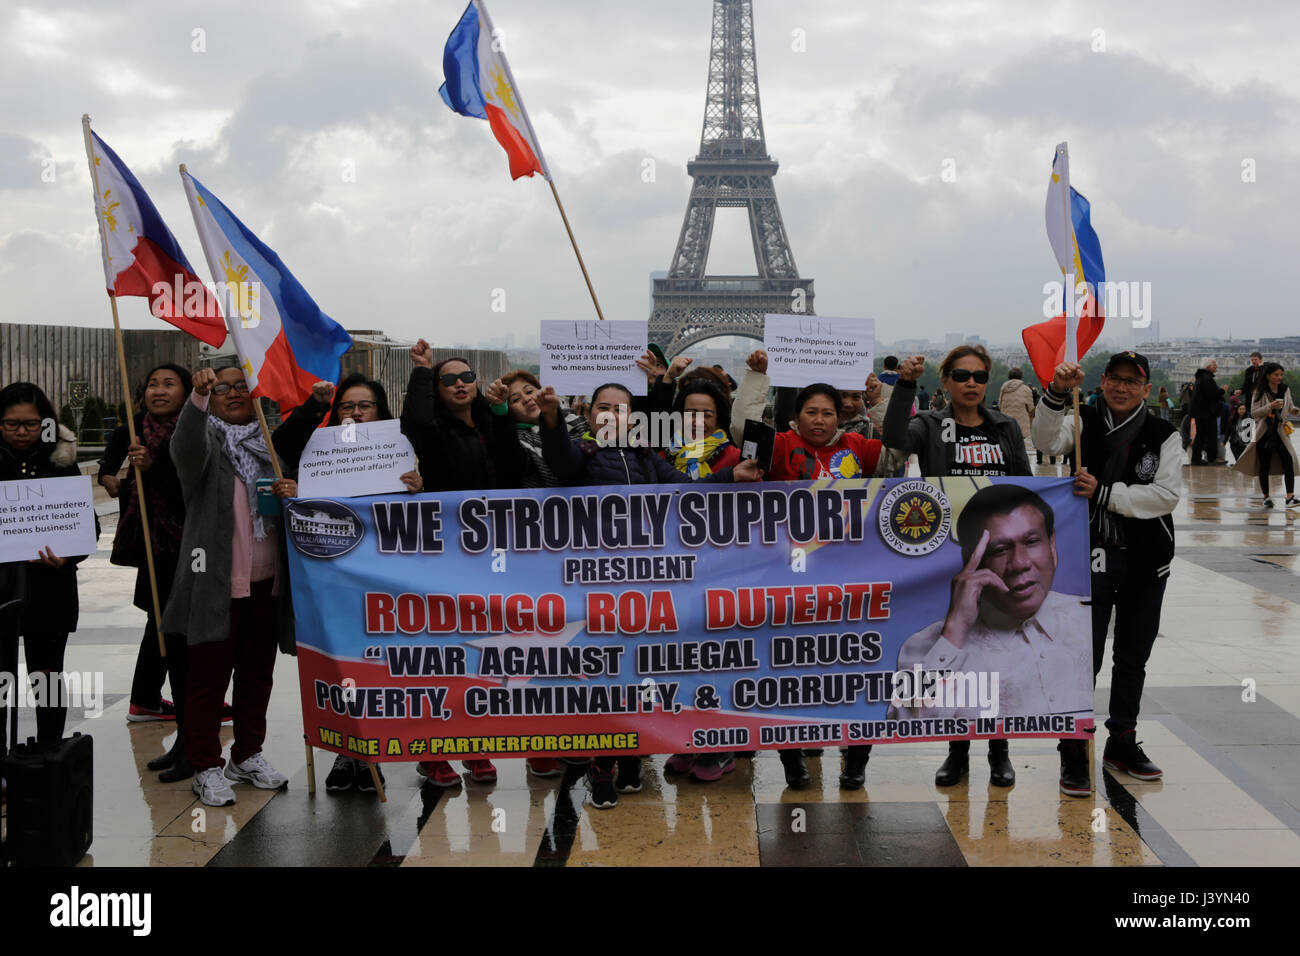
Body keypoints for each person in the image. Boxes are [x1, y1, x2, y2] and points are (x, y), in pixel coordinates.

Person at [537, 381, 761, 808]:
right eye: (602, 408)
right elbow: (559, 460)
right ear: (589, 416)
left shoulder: (646, 457)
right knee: (607, 677)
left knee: (639, 675)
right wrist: (549, 419)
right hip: (598, 586)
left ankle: (629, 757)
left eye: (619, 409)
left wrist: (732, 476)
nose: (610, 416)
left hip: (644, 586)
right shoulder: (581, 454)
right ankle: (603, 769)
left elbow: (685, 493)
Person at [1033, 351, 1180, 796]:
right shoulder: (1084, 417)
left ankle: (1122, 739)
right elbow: (1044, 438)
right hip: (1087, 555)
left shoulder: (1164, 434)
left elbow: (1166, 495)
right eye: (1114, 379)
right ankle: (1073, 745)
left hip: (1144, 558)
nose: (1121, 388)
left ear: (1146, 389)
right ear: (1101, 382)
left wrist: (1105, 494)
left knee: (1133, 655)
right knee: (1083, 656)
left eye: (1131, 382)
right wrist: (1058, 392)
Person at [884, 346, 1031, 787]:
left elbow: (1023, 482)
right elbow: (893, 436)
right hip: (949, 551)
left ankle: (999, 748)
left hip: (999, 553)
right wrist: (905, 386)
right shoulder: (929, 425)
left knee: (1001, 651)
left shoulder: (1004, 427)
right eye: (962, 375)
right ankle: (958, 748)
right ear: (945, 381)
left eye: (980, 376)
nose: (972, 383)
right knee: (962, 652)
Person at [270, 374, 421, 794]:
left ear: (380, 412)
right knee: (339, 668)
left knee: (373, 667)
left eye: (365, 405)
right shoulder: (318, 452)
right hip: (329, 580)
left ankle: (369, 752)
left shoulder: (400, 451)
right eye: (346, 406)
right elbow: (284, 442)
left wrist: (418, 491)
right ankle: (345, 754)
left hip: (379, 581)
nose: (355, 412)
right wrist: (315, 407)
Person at [160, 366, 300, 807]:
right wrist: (196, 400)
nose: (235, 394)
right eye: (223, 388)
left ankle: (247, 754)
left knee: (257, 676)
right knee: (208, 679)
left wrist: (292, 490)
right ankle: (205, 764)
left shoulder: (270, 449)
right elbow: (182, 449)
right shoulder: (206, 445)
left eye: (242, 386)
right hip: (214, 585)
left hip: (266, 585)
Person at [399, 341, 525, 786]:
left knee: (482, 658)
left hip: (492, 557)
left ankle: (474, 745)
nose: (458, 384)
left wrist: (504, 411)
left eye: (465, 377)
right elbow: (412, 422)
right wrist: (420, 369)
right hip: (447, 557)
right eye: (447, 379)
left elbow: (512, 466)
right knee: (443, 657)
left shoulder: (491, 425)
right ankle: (434, 749)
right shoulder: (433, 432)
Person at [764, 382, 884, 789]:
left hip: (849, 579)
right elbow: (742, 433)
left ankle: (856, 756)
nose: (819, 420)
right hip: (792, 577)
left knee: (856, 669)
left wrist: (890, 395)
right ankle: (792, 758)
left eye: (827, 412)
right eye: (811, 412)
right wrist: (755, 379)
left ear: (840, 416)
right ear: (796, 416)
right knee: (790, 671)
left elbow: (898, 448)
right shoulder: (780, 446)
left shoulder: (856, 446)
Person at [889, 485, 1091, 725]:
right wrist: (955, 630)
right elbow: (906, 724)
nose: (1019, 563)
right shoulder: (926, 645)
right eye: (1000, 550)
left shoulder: (1084, 621)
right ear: (972, 563)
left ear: (1053, 545)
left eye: (1032, 541)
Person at [106, 365, 212, 783]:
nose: (159, 390)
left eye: (169, 384)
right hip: (155, 555)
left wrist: (154, 467)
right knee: (169, 644)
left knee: (191, 651)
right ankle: (184, 738)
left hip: (192, 552)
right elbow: (112, 472)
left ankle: (195, 742)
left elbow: (191, 488)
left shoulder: (198, 429)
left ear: (186, 391)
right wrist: (115, 478)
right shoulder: (134, 430)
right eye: (153, 383)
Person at [0, 383, 93, 766]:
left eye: (31, 424)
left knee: (47, 675)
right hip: (3, 587)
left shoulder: (61, 460)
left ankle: (49, 755)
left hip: (50, 587)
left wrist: (67, 556)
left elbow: (87, 528)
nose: (22, 432)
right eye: (12, 424)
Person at [660, 378, 742, 783]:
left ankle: (722, 743)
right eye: (689, 412)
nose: (697, 420)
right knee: (684, 660)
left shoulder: (737, 458)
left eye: (706, 413)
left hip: (724, 571)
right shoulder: (662, 454)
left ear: (720, 416)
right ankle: (692, 738)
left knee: (720, 659)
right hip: (672, 571)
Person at [1233, 362, 1299, 509]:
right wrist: (1270, 406)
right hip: (1265, 431)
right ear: (1268, 376)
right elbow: (1254, 412)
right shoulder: (1259, 391)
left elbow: (1289, 406)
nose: (1279, 377)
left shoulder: (1285, 389)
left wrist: (1294, 410)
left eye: (1281, 375)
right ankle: (1266, 496)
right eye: (1276, 375)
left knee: (1288, 461)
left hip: (1280, 431)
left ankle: (1290, 496)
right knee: (1265, 464)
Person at [997, 367, 1036, 463]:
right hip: (1021, 423)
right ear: (1021, 376)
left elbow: (999, 404)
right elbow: (1031, 408)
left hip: (1005, 421)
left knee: (1007, 444)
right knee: (1019, 446)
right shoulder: (1026, 389)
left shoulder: (1003, 387)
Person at [1190, 359, 1222, 464]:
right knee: (1210, 435)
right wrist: (1222, 391)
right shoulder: (1207, 379)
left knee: (1201, 435)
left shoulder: (1201, 378)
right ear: (1209, 367)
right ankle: (1212, 457)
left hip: (1201, 412)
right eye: (1215, 365)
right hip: (1206, 413)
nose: (1217, 366)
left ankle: (1196, 458)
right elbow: (1212, 395)